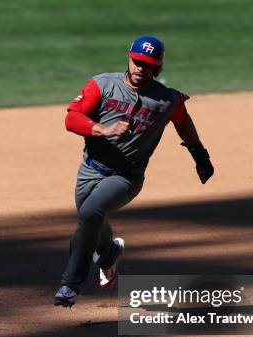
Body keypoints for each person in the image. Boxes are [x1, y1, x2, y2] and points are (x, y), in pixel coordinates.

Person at [54, 35, 214, 307]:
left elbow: (184, 123)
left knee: (90, 213)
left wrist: (200, 155)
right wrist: (102, 129)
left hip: (126, 176)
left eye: (148, 65)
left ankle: (70, 285)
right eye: (137, 62)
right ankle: (109, 253)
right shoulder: (102, 85)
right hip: (89, 170)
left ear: (158, 68)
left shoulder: (167, 100)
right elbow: (72, 118)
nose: (141, 68)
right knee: (91, 218)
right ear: (129, 58)